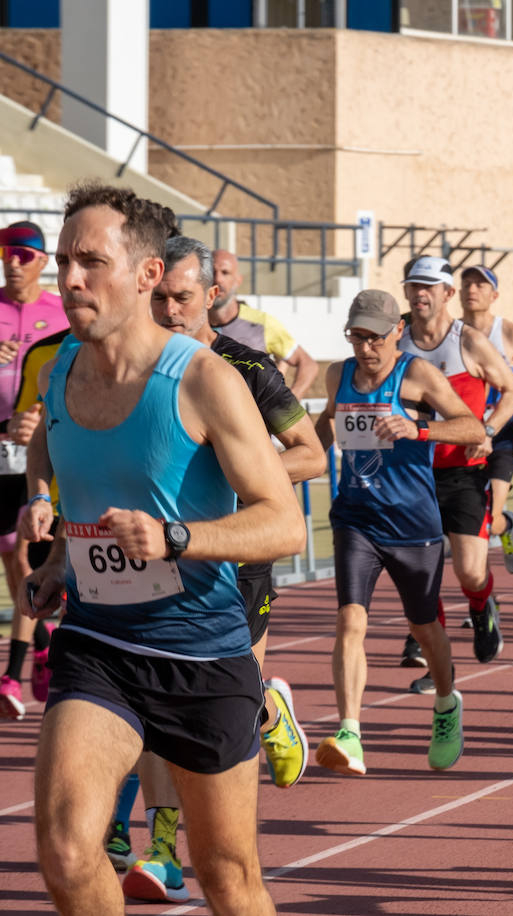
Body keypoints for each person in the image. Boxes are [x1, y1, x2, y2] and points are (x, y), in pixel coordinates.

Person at [23, 182, 305, 914]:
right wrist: (54, 545)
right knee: (65, 850)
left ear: (147, 274)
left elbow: (284, 522)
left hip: (203, 654)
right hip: (99, 642)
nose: (71, 279)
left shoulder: (205, 379)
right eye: (63, 261)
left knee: (226, 876)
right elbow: (54, 465)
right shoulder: (59, 378)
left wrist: (178, 539)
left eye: (91, 261)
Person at [312, 290, 485, 777]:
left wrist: (419, 430)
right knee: (351, 622)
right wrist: (286, 464)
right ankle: (350, 730)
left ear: (397, 334)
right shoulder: (338, 375)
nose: (365, 348)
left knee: (425, 629)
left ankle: (448, 703)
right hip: (355, 518)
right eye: (356, 336)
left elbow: (472, 428)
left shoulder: (417, 375)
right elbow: (324, 429)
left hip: (413, 526)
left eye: (375, 338)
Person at [397, 257, 513, 677]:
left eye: (429, 286)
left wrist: (487, 429)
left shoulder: (466, 340)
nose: (420, 294)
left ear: (448, 294)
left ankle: (482, 603)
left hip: (464, 471)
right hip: (413, 473)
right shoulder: (397, 339)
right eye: (413, 286)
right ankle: (435, 661)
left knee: (469, 570)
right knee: (422, 572)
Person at [0, 220, 67, 718]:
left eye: (25, 253)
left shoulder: (62, 313)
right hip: (1, 439)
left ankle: (11, 674)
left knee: (18, 550)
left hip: (36, 455)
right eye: (7, 252)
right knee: (11, 556)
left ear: (43, 261)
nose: (14, 260)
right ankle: (42, 641)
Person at [458, 264, 513, 580]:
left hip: (502, 436)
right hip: (465, 436)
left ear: (494, 294)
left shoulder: (510, 333)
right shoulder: (453, 334)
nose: (472, 289)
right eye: (466, 283)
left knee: (487, 518)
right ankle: (483, 597)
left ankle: (505, 522)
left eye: (480, 284)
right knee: (468, 525)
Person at [209, 250, 317, 399]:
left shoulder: (261, 323)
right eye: (212, 272)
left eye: (225, 272)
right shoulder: (193, 323)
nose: (217, 279)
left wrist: (287, 407)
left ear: (238, 280)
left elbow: (308, 364)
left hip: (251, 420)